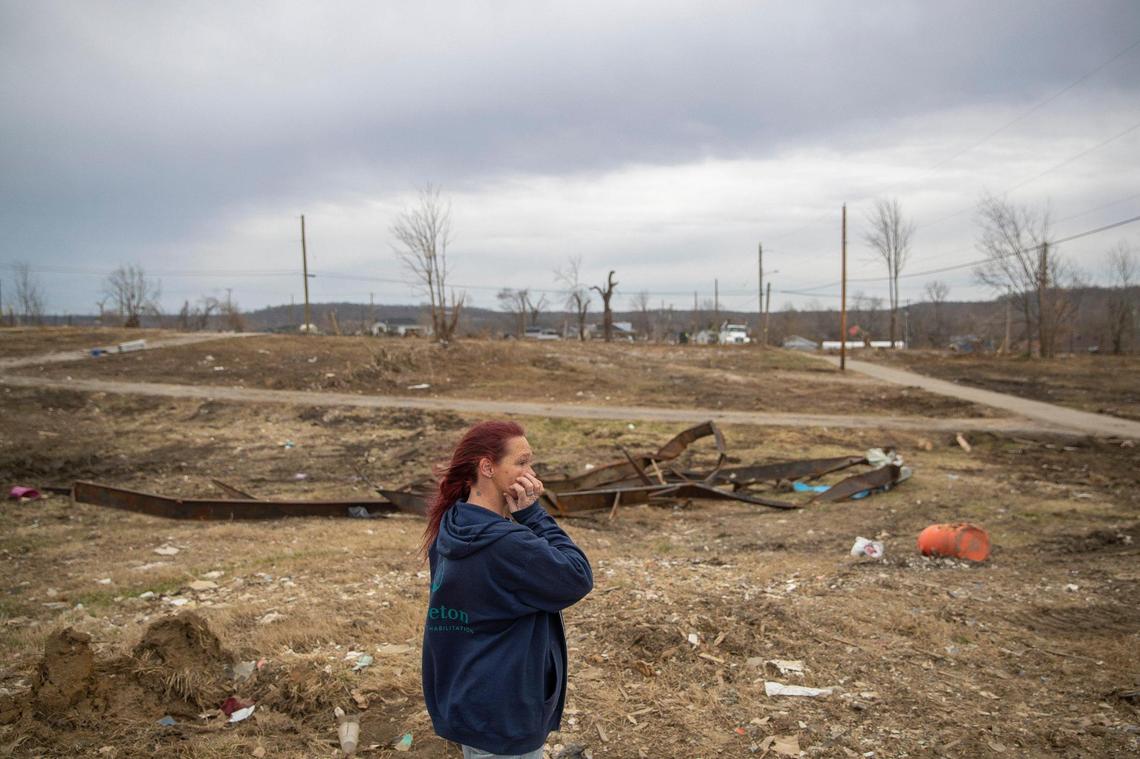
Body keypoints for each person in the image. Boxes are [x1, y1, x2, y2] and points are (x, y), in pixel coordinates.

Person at [420, 420, 593, 759]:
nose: (533, 475)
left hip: (466, 698)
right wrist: (534, 516)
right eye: (523, 462)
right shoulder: (507, 545)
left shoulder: (452, 525)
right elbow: (577, 576)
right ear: (487, 467)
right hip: (505, 712)